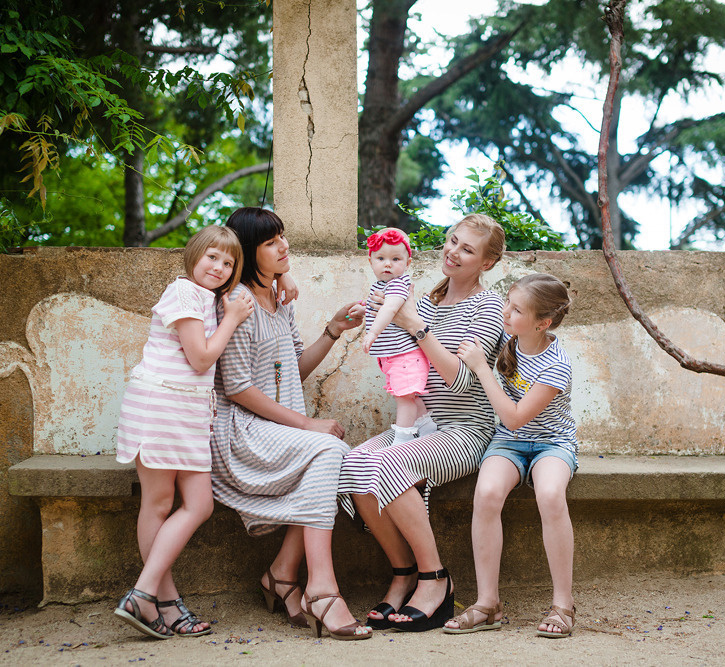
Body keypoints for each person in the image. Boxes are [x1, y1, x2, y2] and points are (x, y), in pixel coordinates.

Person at [209, 207, 373, 641]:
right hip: (242, 430)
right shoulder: (238, 304)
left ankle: (283, 576)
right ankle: (319, 587)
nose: (283, 246)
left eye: (282, 236)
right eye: (269, 242)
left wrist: (334, 330)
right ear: (248, 252)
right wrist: (305, 424)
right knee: (330, 448)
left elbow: (292, 369)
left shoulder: (279, 301)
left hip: (275, 428)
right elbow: (239, 388)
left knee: (330, 455)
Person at [338, 213, 506, 633]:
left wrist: (416, 325)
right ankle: (403, 571)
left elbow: (462, 379)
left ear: (486, 263)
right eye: (452, 241)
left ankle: (435, 578)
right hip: (425, 424)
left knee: (391, 464)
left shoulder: (488, 307)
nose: (453, 251)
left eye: (467, 248)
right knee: (355, 463)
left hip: (467, 429)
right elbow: (397, 353)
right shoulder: (425, 298)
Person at [114, 225, 254, 639]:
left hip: (187, 412)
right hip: (161, 405)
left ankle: (150, 598)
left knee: (198, 504)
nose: (219, 267)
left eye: (228, 262)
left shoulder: (207, 299)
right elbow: (200, 357)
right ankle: (157, 600)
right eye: (212, 256)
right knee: (158, 504)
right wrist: (232, 318)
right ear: (193, 254)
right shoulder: (183, 292)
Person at [443, 273, 577, 638]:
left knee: (550, 494)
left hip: (551, 443)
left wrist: (482, 368)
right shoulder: (508, 338)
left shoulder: (556, 364)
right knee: (486, 494)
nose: (506, 313)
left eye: (516, 309)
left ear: (542, 322)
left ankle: (563, 604)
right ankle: (488, 604)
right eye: (507, 303)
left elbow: (515, 418)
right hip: (509, 444)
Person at [361, 227, 432, 445]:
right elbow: (377, 308)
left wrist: (372, 332)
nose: (388, 264)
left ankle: (402, 439)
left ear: (407, 262)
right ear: (371, 260)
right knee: (408, 395)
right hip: (394, 356)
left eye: (395, 259)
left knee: (405, 398)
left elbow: (390, 309)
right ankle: (428, 430)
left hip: (405, 356)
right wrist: (362, 309)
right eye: (381, 258)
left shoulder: (399, 284)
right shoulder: (381, 285)